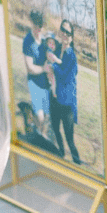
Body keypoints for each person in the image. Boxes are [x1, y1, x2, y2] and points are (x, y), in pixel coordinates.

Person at [49, 19, 81, 165]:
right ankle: (61, 153)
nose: (65, 34)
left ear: (72, 37)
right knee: (55, 128)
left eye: (68, 33)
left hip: (66, 103)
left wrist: (53, 64)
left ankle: (77, 163)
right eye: (63, 30)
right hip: (54, 99)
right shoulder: (56, 49)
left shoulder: (71, 55)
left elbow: (64, 75)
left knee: (70, 139)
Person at [21, 9, 52, 139]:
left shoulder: (44, 40)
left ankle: (41, 134)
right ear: (31, 23)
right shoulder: (28, 41)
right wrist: (43, 69)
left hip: (46, 82)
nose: (38, 28)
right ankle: (37, 134)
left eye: (40, 25)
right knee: (39, 116)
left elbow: (50, 56)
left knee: (47, 114)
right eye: (36, 25)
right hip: (34, 81)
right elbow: (30, 68)